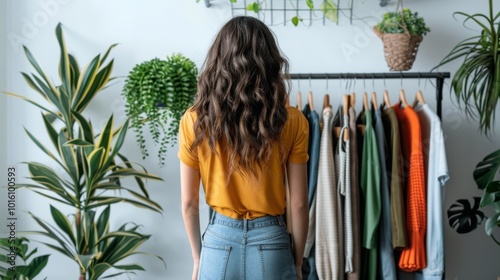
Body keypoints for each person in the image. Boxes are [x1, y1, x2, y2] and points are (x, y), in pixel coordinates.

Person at [178, 16, 309, 280]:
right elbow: (299, 204)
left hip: (218, 243)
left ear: (218, 60)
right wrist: (296, 262)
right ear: (270, 61)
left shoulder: (194, 120)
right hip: (272, 240)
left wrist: (197, 259)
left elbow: (189, 204)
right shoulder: (292, 120)